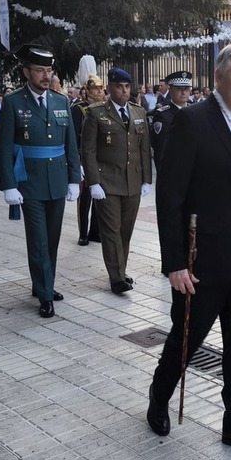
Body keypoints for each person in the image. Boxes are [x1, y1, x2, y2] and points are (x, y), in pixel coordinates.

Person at [148, 42, 231, 458]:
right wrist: (174, 264)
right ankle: (159, 394)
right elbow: (169, 197)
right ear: (220, 77)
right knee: (186, 340)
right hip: (199, 261)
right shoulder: (191, 121)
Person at [0, 46, 82, 319]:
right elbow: (4, 146)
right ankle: (45, 295)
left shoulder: (60, 101)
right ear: (26, 72)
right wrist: (8, 184)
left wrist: (73, 177)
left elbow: (70, 143)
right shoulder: (12, 102)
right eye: (39, 71)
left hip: (56, 180)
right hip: (29, 182)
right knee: (39, 240)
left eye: (48, 71)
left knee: (53, 239)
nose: (46, 76)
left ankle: (43, 283)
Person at [81, 68, 152, 294]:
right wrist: (93, 182)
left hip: (132, 181)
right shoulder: (96, 113)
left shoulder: (138, 112)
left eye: (127, 86)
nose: (124, 91)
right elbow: (88, 151)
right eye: (119, 87)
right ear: (109, 89)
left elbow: (143, 149)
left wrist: (147, 180)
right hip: (107, 182)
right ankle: (116, 278)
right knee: (111, 231)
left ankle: (120, 270)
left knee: (125, 230)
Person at [73, 72, 105, 246]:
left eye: (100, 88)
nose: (99, 91)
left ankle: (95, 231)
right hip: (84, 158)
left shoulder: (105, 108)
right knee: (84, 198)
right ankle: (83, 233)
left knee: (99, 198)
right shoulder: (79, 109)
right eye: (95, 88)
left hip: (101, 157)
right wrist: (77, 161)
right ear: (87, 90)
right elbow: (74, 136)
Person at [147, 70, 192, 167]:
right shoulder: (162, 116)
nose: (183, 92)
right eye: (179, 89)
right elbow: (160, 150)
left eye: (186, 88)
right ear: (170, 90)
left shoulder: (195, 111)